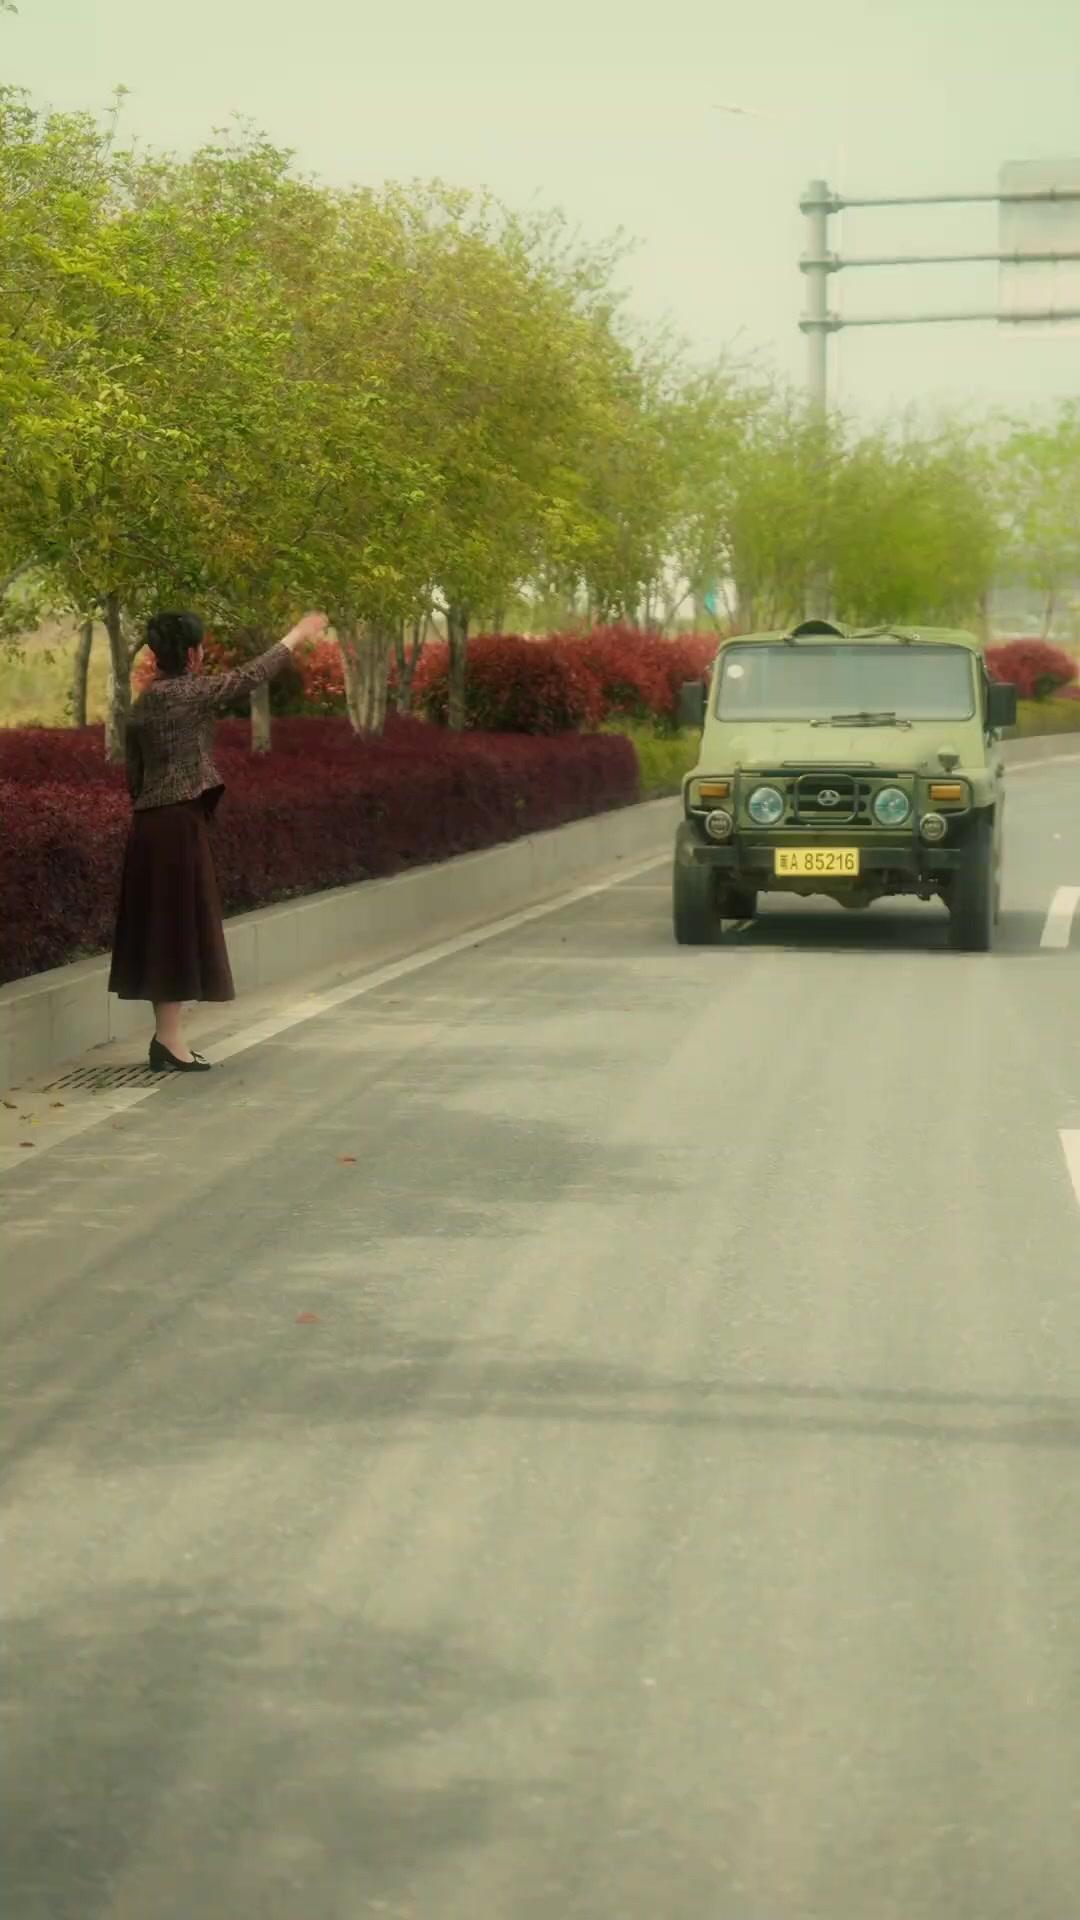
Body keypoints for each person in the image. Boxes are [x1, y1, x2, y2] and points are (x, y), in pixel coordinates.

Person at [108, 609, 329, 1073]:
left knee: (161, 930)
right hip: (178, 825)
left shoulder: (143, 704)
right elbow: (252, 675)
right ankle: (169, 1042)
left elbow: (134, 777)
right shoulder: (192, 693)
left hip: (149, 826)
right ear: (192, 653)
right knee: (176, 928)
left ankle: (166, 1038)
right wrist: (296, 634)